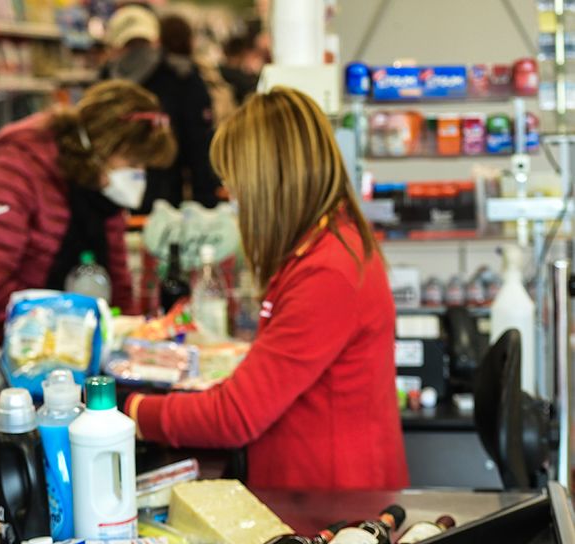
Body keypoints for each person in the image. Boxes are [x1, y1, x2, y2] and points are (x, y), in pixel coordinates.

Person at [126, 88, 409, 491]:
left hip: (330, 509)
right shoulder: (325, 247)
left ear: (268, 184)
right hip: (318, 490)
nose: (234, 200)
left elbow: (236, 416)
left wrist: (130, 411)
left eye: (237, 186)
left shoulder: (328, 272)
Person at [0, 80, 177, 343]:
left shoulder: (99, 190)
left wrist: (128, 337)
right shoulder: (15, 170)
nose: (138, 175)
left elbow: (117, 279)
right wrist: (52, 334)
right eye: (132, 162)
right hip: (13, 345)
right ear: (99, 148)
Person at [101, 5, 219, 209]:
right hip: (155, 203)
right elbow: (200, 148)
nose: (137, 53)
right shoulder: (182, 77)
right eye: (131, 45)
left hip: (121, 203)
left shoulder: (104, 84)